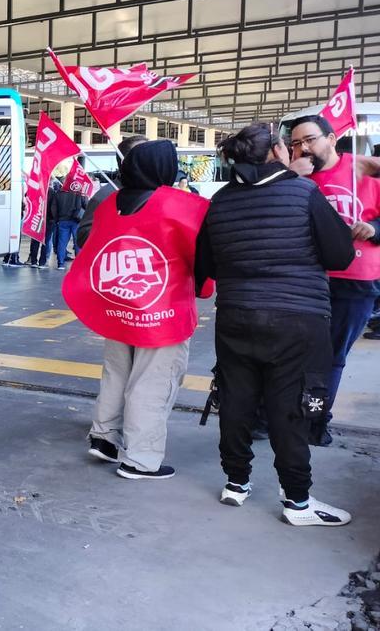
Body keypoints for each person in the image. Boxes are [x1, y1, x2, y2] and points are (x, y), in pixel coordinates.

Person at [198, 123, 354, 526]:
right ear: (277, 152)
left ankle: (236, 483)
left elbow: (206, 264)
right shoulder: (304, 193)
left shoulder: (220, 201)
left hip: (235, 316)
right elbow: (340, 256)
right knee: (290, 408)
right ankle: (297, 501)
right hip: (297, 319)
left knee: (236, 400)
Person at [63, 140, 211, 480]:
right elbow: (201, 255)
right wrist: (204, 286)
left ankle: (104, 438)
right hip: (163, 312)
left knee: (116, 374)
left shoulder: (110, 203)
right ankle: (140, 459)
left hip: (117, 307)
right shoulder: (179, 204)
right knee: (153, 381)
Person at [286, 115, 380, 446]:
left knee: (331, 358)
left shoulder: (363, 170)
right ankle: (282, 416)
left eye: (309, 139)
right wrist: (289, 177)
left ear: (331, 139)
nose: (303, 148)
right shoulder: (296, 176)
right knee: (295, 354)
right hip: (307, 278)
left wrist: (374, 229)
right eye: (296, 143)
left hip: (355, 280)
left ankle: (316, 419)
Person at [78, 135, 148, 246]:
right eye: (144, 154)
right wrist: (117, 227)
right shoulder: (105, 196)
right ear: (126, 161)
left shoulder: (155, 192)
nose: (152, 158)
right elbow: (83, 237)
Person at [50, 179, 86, 270]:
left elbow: (53, 208)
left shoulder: (58, 193)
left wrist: (57, 219)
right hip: (76, 221)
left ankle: (60, 264)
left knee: (62, 243)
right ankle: (79, 263)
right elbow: (86, 205)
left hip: (62, 221)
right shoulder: (78, 193)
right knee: (77, 242)